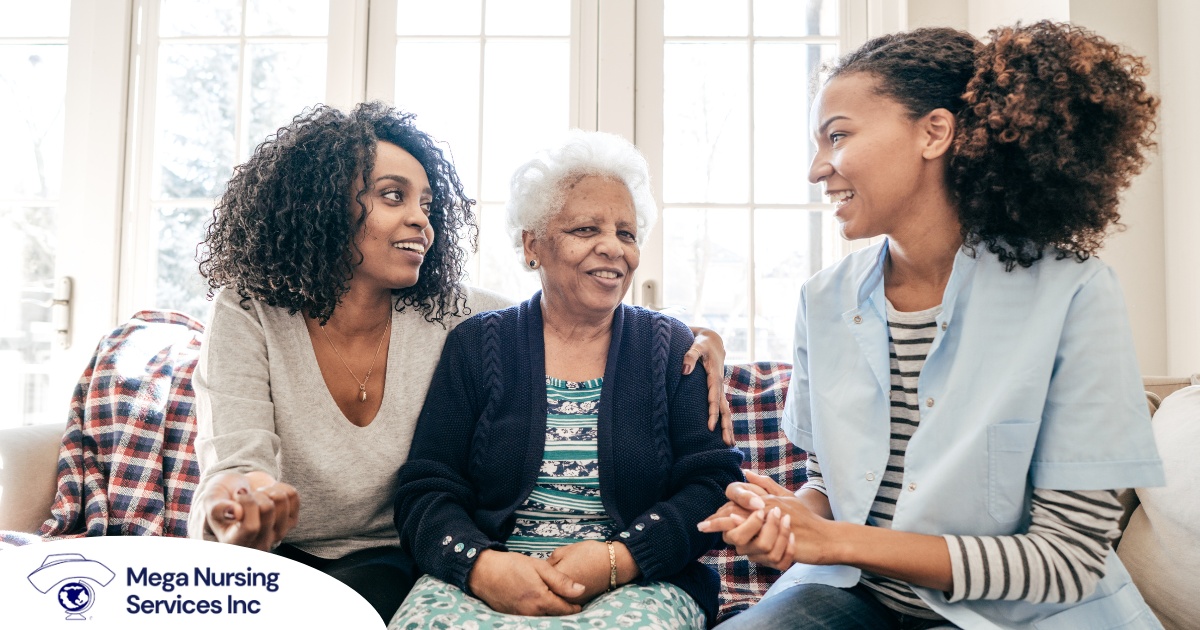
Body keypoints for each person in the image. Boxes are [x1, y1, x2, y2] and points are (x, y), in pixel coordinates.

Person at [700, 22, 1165, 630]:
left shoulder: (1074, 294)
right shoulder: (823, 300)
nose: (818, 169)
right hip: (854, 599)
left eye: (837, 136)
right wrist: (788, 523)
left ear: (934, 132)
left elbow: (1065, 561)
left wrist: (835, 540)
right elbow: (829, 485)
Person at [189, 103, 732, 622]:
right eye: (393, 196)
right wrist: (234, 503)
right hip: (274, 554)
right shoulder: (248, 310)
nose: (420, 221)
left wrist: (695, 333)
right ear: (323, 204)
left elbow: (577, 310)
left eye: (427, 205)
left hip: (383, 560)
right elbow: (236, 465)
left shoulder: (448, 312)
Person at [390, 131, 744, 629]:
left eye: (626, 233)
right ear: (533, 245)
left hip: (637, 582)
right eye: (585, 230)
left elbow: (713, 483)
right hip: (492, 576)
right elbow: (427, 488)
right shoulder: (478, 344)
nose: (613, 249)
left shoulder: (671, 347)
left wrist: (619, 558)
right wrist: (480, 566)